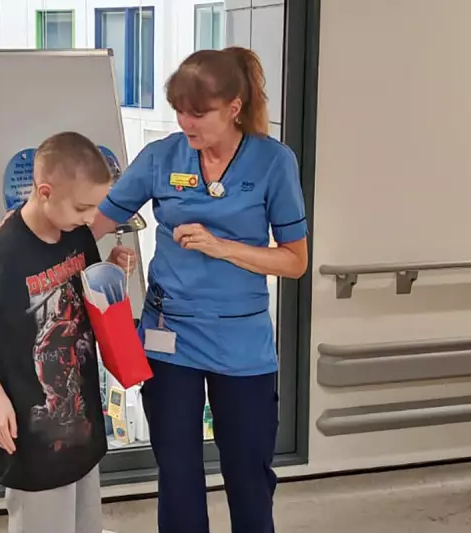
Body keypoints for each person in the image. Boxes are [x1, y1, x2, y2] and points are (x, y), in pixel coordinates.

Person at [90, 47, 309, 533]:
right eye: (179, 111)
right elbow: (95, 221)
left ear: (233, 107)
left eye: (198, 112)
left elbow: (295, 261)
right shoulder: (161, 157)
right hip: (171, 338)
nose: (186, 123)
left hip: (241, 344)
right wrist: (31, 229)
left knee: (249, 475)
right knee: (178, 474)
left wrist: (221, 247)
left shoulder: (273, 162)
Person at [0, 131, 136, 533]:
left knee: (86, 524)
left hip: (82, 423)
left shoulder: (78, 234)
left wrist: (114, 272)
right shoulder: (6, 252)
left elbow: (86, 299)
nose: (90, 218)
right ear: (45, 191)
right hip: (32, 436)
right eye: (82, 207)